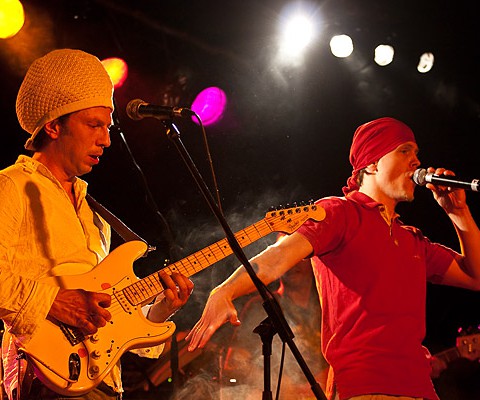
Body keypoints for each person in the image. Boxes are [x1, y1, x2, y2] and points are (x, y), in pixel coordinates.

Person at [186, 117, 480, 400]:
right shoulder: (340, 213)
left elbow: (475, 277)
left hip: (421, 387)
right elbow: (277, 256)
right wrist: (225, 289)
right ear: (372, 163)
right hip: (367, 388)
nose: (416, 161)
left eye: (416, 153)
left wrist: (459, 214)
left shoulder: (412, 238)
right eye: (405, 151)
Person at [0, 49, 194, 400]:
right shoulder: (11, 186)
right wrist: (53, 302)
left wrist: (163, 307)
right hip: (38, 378)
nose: (105, 139)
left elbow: (112, 322)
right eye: (94, 125)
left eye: (107, 127)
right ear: (54, 125)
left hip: (99, 382)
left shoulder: (96, 218)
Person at [221, 234, 328, 399]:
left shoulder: (326, 303)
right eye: (284, 255)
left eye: (298, 254)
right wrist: (283, 383)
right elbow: (234, 362)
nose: (292, 263)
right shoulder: (261, 307)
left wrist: (325, 379)